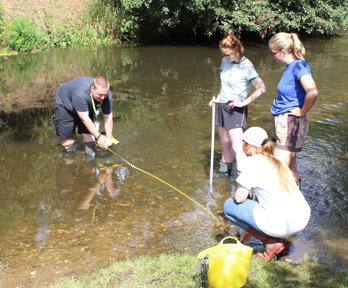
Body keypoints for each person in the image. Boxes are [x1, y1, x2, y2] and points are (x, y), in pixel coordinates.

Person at [224, 127, 311, 260]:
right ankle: (275, 238)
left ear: (249, 146)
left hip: (282, 224)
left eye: (243, 143)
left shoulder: (253, 162)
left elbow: (239, 198)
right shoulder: (277, 161)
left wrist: (251, 229)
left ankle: (271, 242)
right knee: (259, 204)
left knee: (229, 206)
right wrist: (249, 229)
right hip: (301, 219)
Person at [209, 31, 266, 177]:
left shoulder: (246, 65)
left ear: (236, 50)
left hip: (236, 109)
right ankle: (224, 174)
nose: (225, 57)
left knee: (238, 147)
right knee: (225, 143)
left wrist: (244, 103)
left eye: (228, 54)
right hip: (222, 106)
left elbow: (261, 88)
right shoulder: (224, 61)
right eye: (223, 54)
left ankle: (241, 181)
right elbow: (224, 83)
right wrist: (218, 97)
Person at [268, 32, 319, 187]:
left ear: (284, 52)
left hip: (290, 122)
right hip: (282, 121)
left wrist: (302, 111)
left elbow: (313, 90)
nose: (271, 56)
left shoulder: (299, 66)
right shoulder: (290, 67)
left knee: (277, 169)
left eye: (272, 53)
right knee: (290, 168)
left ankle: (277, 206)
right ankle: (296, 201)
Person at [54, 76, 114, 157]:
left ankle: (90, 162)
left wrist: (109, 138)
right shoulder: (81, 94)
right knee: (68, 140)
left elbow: (108, 117)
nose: (103, 97)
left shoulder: (106, 95)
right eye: (100, 95)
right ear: (92, 88)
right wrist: (99, 137)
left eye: (105, 95)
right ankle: (68, 161)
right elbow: (84, 118)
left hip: (85, 104)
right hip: (65, 104)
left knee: (89, 135)